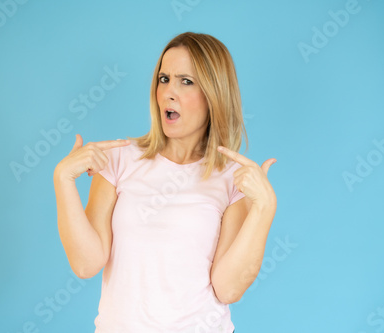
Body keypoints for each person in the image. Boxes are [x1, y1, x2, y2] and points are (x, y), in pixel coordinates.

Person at [54, 32, 277, 332]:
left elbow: (228, 289)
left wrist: (264, 208)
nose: (169, 92)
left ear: (214, 94)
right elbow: (86, 264)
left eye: (186, 81)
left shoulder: (231, 179)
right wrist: (63, 180)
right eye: (164, 79)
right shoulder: (119, 159)